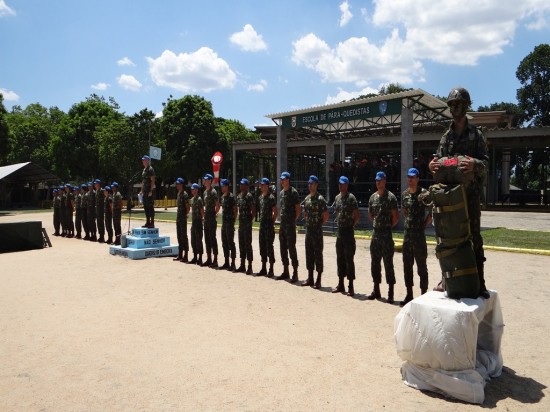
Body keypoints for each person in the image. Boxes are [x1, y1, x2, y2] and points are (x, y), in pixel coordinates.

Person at [428, 86, 490, 298]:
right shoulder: (446, 137)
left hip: (470, 196)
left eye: (459, 104)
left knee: (474, 238)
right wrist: (432, 167)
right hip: (450, 198)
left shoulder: (477, 135)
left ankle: (479, 282)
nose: (455, 107)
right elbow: (438, 162)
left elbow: (487, 165)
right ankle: (447, 279)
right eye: (452, 104)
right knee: (447, 237)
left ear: (466, 106)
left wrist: (475, 164)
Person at [400, 168, 432, 306]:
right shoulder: (405, 195)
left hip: (419, 236)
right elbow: (405, 212)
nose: (410, 179)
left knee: (421, 266)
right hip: (408, 235)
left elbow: (430, 214)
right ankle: (409, 294)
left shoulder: (424, 194)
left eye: (413, 177)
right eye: (408, 177)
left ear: (418, 178)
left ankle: (423, 295)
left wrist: (423, 225)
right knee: (407, 265)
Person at [367, 171, 399, 303]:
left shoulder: (391, 197)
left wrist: (386, 226)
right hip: (376, 234)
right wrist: (377, 225)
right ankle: (376, 289)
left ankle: (390, 292)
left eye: (380, 180)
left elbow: (395, 218)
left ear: (385, 181)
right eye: (376, 180)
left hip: (386, 234)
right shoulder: (372, 198)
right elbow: (371, 215)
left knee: (388, 263)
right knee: (375, 262)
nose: (378, 182)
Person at [332, 176, 359, 296]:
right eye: (339, 184)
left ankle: (351, 285)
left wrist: (351, 225)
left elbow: (356, 215)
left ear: (347, 185)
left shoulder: (351, 198)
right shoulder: (337, 197)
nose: (340, 186)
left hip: (348, 231)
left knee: (349, 259)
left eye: (343, 184)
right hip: (340, 231)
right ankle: (340, 283)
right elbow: (337, 212)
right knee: (340, 258)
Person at [301, 175, 329, 289]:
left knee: (318, 254)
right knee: (309, 254)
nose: (310, 185)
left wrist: (318, 223)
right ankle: (310, 278)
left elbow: (326, 215)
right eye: (309, 183)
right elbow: (305, 214)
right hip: (309, 230)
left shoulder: (320, 199)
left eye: (312, 183)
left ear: (316, 185)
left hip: (317, 230)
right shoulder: (307, 199)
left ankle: (318, 279)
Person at [276, 171, 301, 282]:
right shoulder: (281, 193)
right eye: (281, 179)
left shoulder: (293, 192)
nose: (282, 181)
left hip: (290, 226)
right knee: (282, 248)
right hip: (282, 226)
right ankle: (286, 271)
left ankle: (295, 272)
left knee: (291, 249)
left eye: (284, 179)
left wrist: (292, 220)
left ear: (288, 180)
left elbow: (298, 209)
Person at [256, 177, 277, 277]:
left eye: (263, 185)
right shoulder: (260, 197)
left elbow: (275, 212)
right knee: (262, 247)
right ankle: (263, 267)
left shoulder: (271, 198)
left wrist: (271, 222)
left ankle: (271, 268)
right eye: (261, 185)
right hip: (262, 226)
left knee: (269, 247)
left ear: (267, 186)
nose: (261, 186)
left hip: (268, 226)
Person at [235, 178, 255, 275]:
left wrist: (249, 220)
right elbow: (237, 209)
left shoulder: (249, 196)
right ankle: (242, 264)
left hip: (247, 224)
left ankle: (249, 266)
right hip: (241, 224)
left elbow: (253, 210)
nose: (241, 186)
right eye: (240, 185)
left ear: (247, 186)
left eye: (243, 185)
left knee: (248, 245)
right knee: (241, 244)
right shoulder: (239, 196)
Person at [202, 173, 220, 268]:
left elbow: (217, 205)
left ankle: (215, 260)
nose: (204, 181)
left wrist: (214, 214)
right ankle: (209, 258)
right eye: (204, 180)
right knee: (207, 239)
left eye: (206, 180)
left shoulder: (213, 192)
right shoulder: (205, 192)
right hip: (206, 220)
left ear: (210, 181)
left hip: (211, 220)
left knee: (212, 239)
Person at [219, 178, 237, 271]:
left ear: (227, 186)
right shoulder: (222, 197)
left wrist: (233, 221)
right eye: (221, 186)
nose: (222, 188)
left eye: (223, 186)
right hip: (224, 224)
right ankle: (226, 262)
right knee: (224, 243)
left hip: (229, 224)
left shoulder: (231, 197)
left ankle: (233, 263)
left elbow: (235, 210)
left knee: (230, 243)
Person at [173, 177, 190, 262]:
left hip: (182, 218)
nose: (177, 185)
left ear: (182, 185)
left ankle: (186, 255)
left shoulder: (184, 194)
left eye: (179, 184)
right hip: (178, 218)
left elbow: (188, 207)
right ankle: (180, 254)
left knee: (184, 236)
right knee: (179, 236)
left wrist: (186, 215)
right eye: (177, 184)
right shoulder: (179, 194)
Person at [189, 183, 204, 265]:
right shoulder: (192, 199)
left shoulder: (199, 199)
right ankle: (195, 256)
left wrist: (202, 219)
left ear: (197, 190)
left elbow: (202, 210)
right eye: (191, 189)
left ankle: (200, 258)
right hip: (194, 222)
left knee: (199, 240)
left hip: (198, 221)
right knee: (193, 240)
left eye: (193, 189)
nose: (192, 190)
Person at [140, 155, 156, 228]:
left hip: (149, 191)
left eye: (144, 160)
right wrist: (141, 190)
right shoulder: (144, 170)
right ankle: (147, 222)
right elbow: (143, 182)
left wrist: (151, 190)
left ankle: (152, 222)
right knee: (146, 206)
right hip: (145, 191)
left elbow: (153, 180)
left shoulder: (150, 169)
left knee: (150, 206)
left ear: (148, 161)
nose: (143, 161)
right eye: (143, 160)